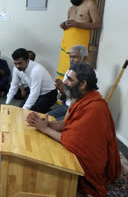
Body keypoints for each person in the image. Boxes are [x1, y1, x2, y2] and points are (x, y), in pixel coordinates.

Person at [26, 63, 121, 197]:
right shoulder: (82, 98)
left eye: (70, 79)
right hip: (79, 144)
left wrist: (44, 129)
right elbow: (67, 124)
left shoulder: (95, 107)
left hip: (92, 163)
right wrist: (48, 124)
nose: (64, 82)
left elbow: (71, 141)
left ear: (82, 84)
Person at [57, 0, 100, 80]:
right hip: (66, 44)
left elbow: (97, 24)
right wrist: (64, 25)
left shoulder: (90, 4)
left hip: (79, 45)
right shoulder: (71, 9)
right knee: (63, 75)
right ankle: (62, 94)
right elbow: (71, 25)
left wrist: (77, 24)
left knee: (76, 75)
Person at [6, 48, 57, 113]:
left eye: (20, 63)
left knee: (29, 113)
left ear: (27, 60)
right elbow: (14, 85)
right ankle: (43, 109)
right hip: (36, 93)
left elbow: (34, 93)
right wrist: (7, 103)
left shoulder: (36, 70)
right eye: (15, 63)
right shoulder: (16, 68)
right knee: (20, 110)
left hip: (49, 94)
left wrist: (24, 110)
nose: (17, 66)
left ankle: (49, 111)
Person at [48, 45, 90, 120]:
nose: (71, 60)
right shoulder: (69, 71)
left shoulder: (90, 74)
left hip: (78, 111)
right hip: (65, 106)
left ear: (85, 58)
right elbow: (63, 97)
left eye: (75, 57)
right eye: (70, 57)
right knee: (45, 117)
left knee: (52, 123)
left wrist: (65, 91)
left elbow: (82, 100)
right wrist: (62, 92)